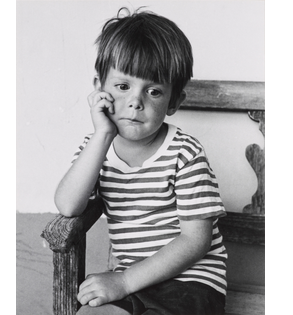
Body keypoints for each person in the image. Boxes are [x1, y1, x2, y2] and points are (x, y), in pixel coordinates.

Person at [54, 7, 228, 315]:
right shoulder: (96, 148)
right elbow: (68, 206)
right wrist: (102, 135)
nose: (136, 101)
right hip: (132, 281)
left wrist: (122, 282)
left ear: (174, 102)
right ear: (99, 89)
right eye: (123, 87)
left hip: (191, 283)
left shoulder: (184, 153)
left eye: (154, 91)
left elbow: (195, 242)